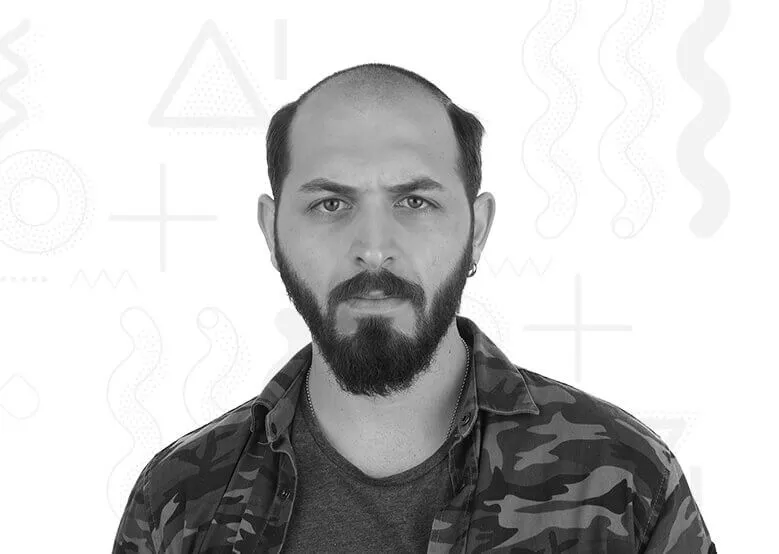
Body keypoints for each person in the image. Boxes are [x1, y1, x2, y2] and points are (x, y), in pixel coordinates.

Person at [113, 63, 716, 553]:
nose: (374, 248)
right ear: (272, 232)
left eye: (415, 202)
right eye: (330, 204)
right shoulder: (179, 500)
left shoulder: (625, 481)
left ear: (477, 231)